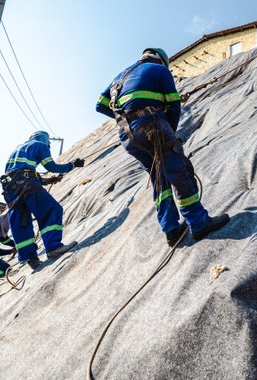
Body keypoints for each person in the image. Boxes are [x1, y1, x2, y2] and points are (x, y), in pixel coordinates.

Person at [96, 47, 229, 246]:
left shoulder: (119, 77)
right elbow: (174, 105)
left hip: (128, 136)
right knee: (178, 171)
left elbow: (100, 105)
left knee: (159, 178)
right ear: (162, 61)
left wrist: (126, 117)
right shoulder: (160, 70)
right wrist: (170, 132)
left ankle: (171, 230)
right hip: (153, 127)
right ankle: (199, 222)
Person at [1, 131, 84, 269]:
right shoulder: (40, 145)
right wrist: (73, 165)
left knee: (21, 221)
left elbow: (19, 172)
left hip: (10, 188)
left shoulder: (17, 149)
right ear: (46, 140)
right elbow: (52, 167)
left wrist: (46, 180)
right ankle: (53, 247)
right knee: (51, 210)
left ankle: (30, 258)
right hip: (27, 185)